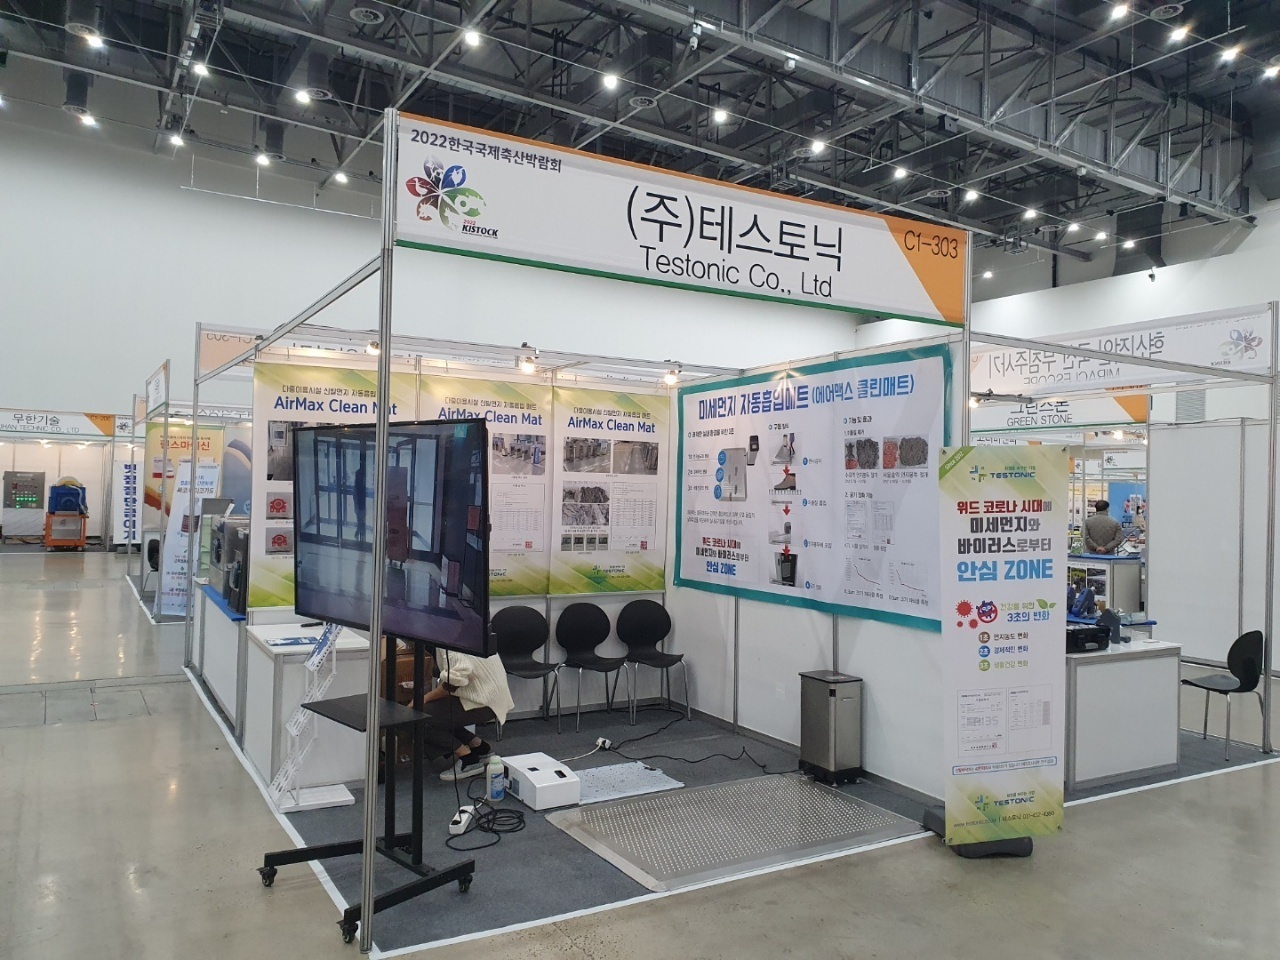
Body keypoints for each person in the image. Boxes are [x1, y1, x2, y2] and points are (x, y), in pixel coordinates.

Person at [422, 648, 515, 781]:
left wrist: (425, 698)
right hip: (493, 697)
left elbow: (455, 680)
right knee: (437, 713)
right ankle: (479, 747)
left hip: (483, 701)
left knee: (418, 716)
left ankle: (468, 759)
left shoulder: (447, 641)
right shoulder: (465, 635)